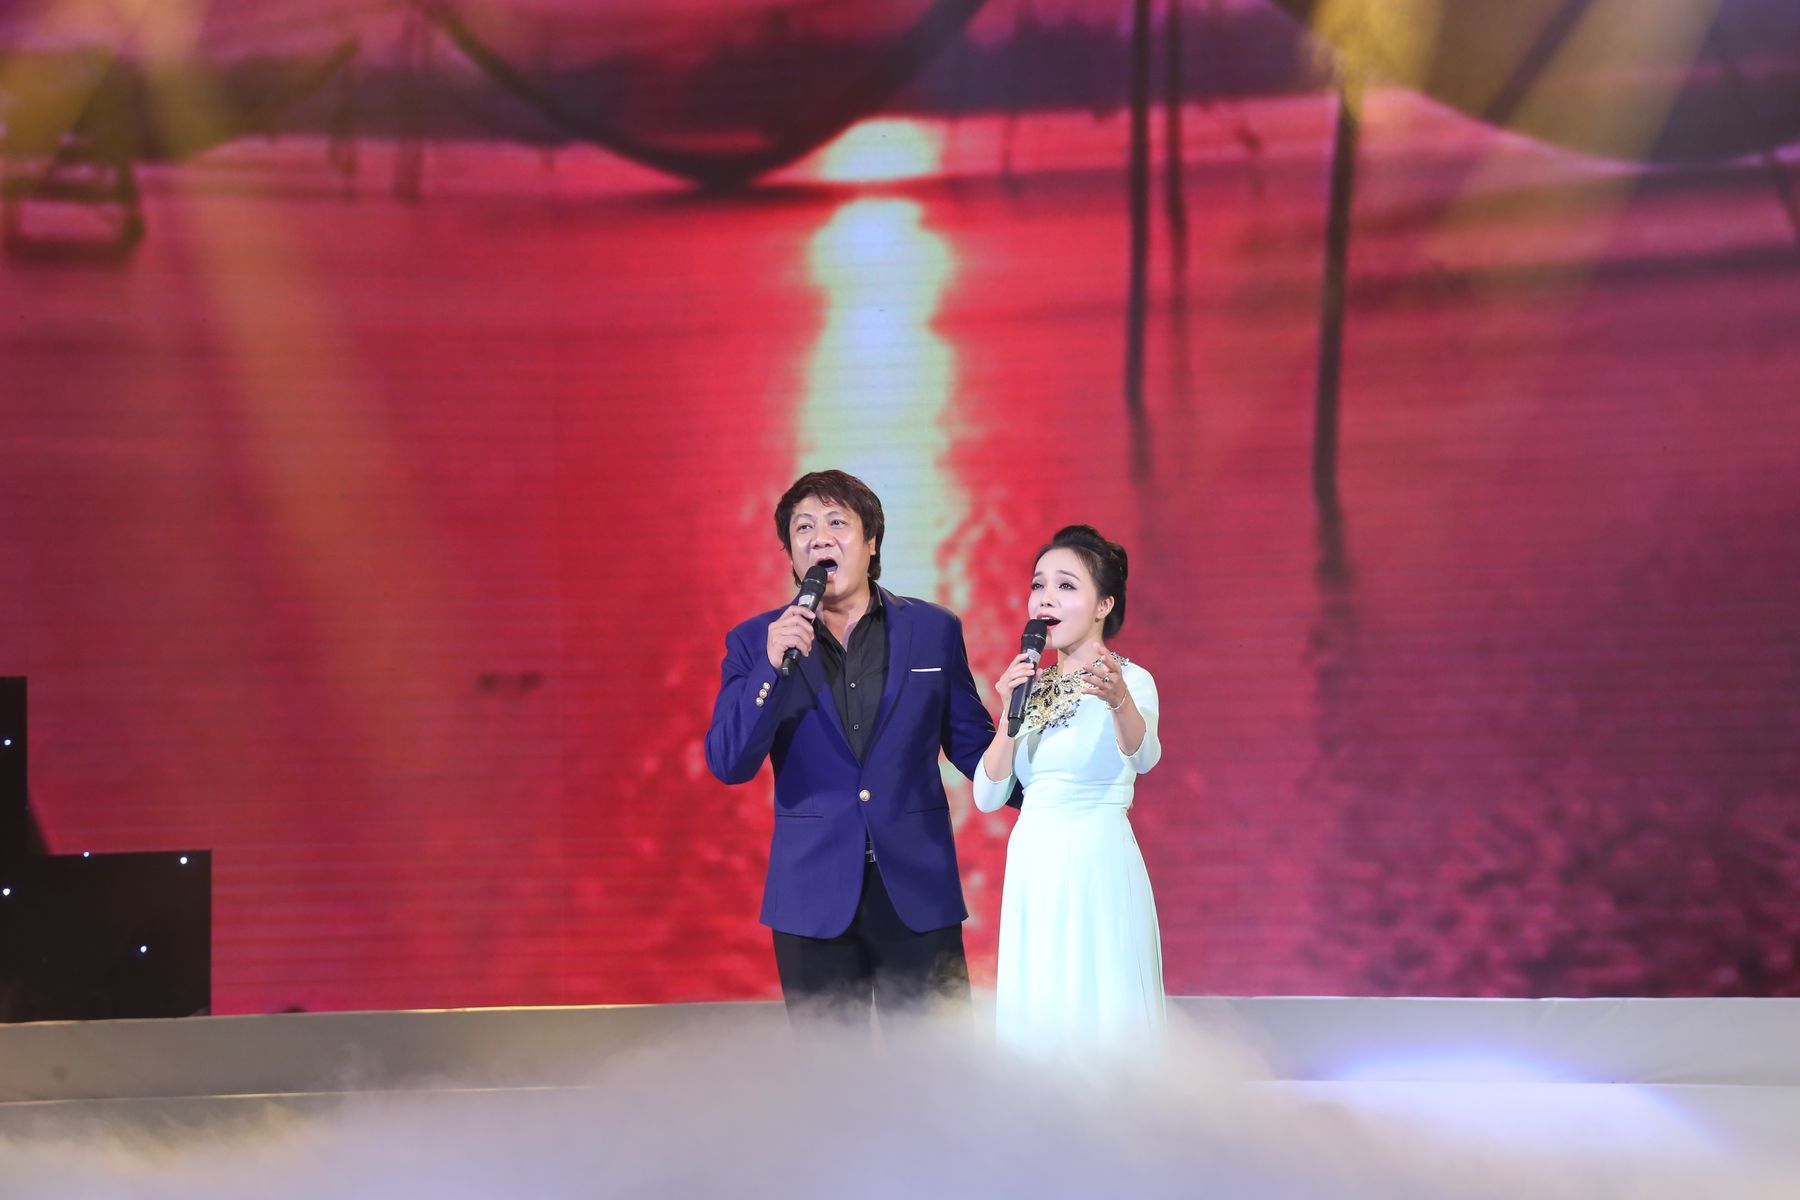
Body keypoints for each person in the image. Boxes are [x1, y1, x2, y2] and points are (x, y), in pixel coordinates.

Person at [705, 469, 995, 1022]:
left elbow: (972, 747)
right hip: (811, 899)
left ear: (872, 542)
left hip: (917, 889)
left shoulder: (933, 630)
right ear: (791, 552)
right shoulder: (755, 641)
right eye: (803, 527)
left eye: (837, 523)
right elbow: (728, 762)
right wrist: (769, 667)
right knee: (829, 1070)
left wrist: (1057, 793)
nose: (819, 537)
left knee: (938, 1063)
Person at [973, 524, 1165, 1056]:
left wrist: (1119, 700)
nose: (1046, 598)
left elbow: (1144, 756)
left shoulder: (1131, 680)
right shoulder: (1027, 688)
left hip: (1097, 855)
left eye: (1065, 585)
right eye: (1038, 585)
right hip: (1034, 859)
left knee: (1101, 1004)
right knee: (1042, 1004)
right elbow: (987, 797)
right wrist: (1009, 716)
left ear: (1104, 604)